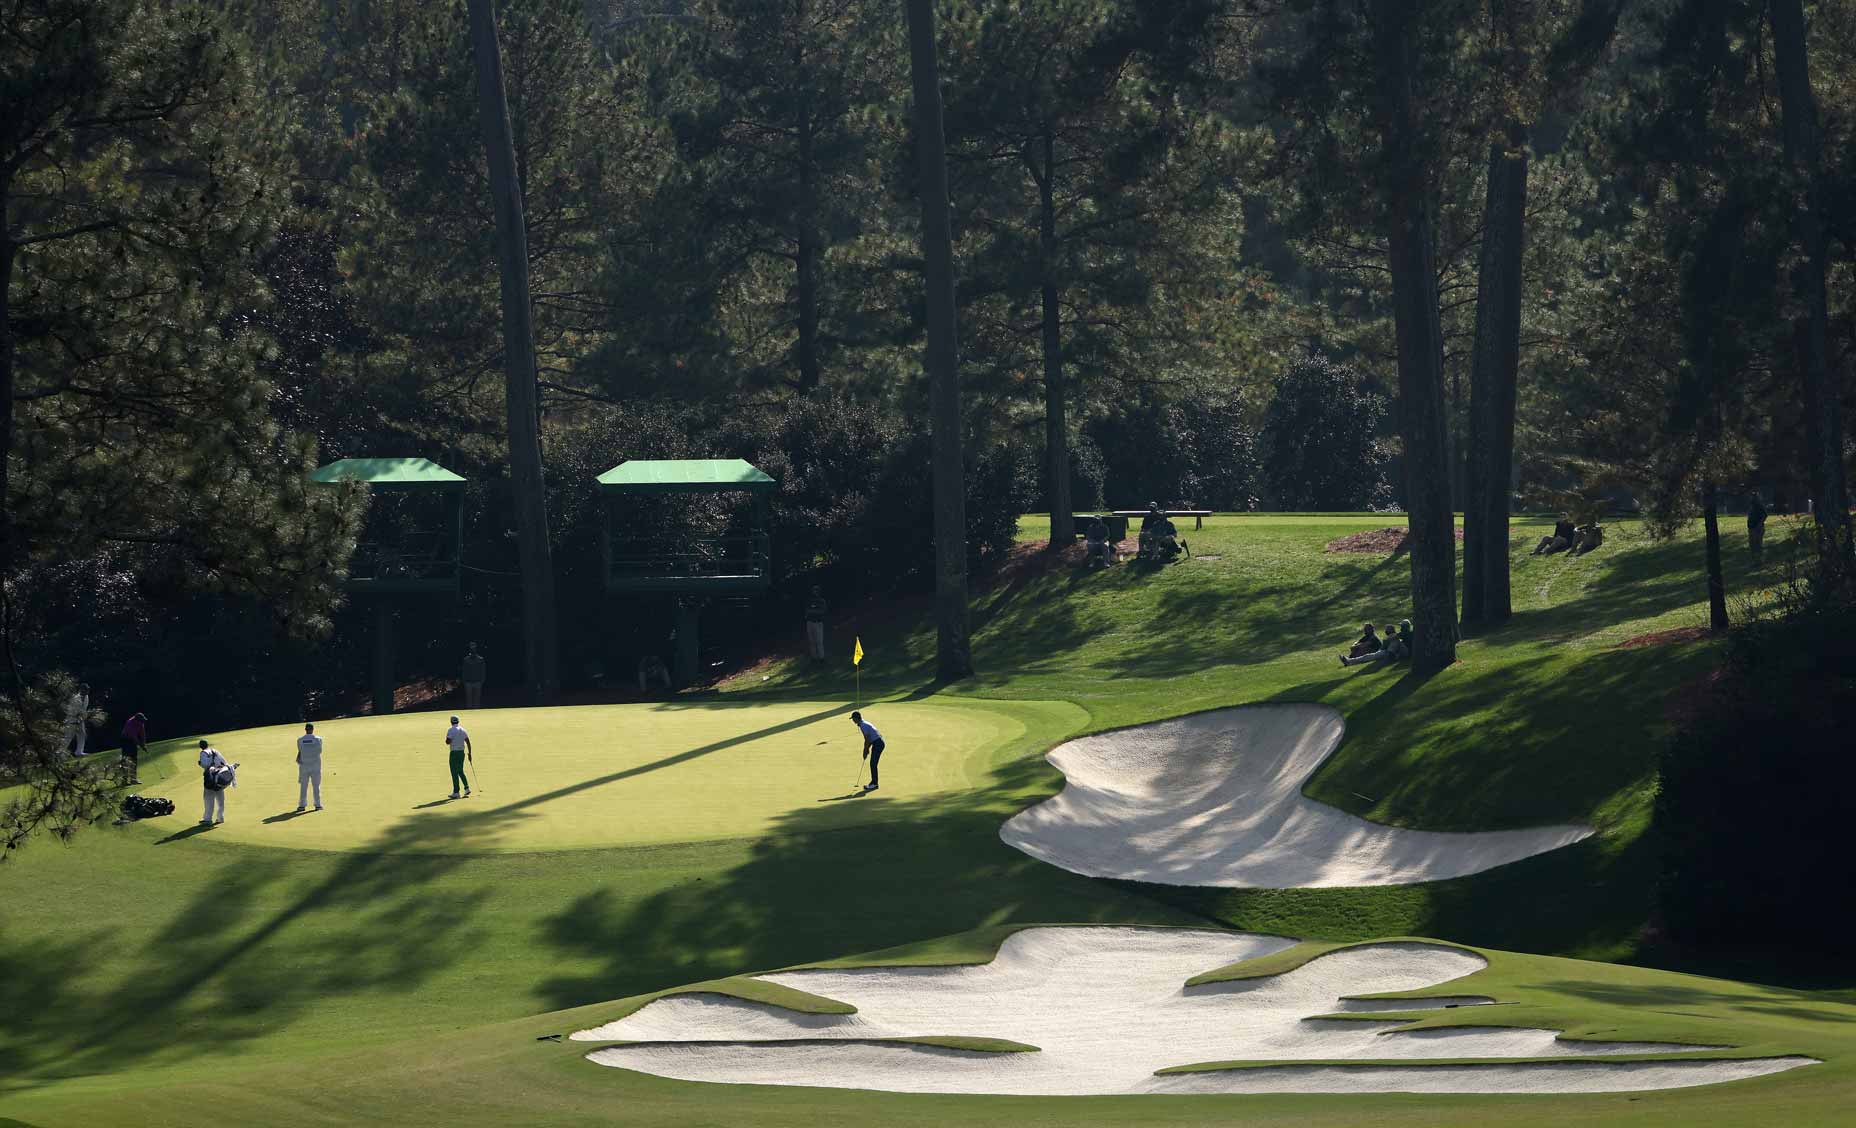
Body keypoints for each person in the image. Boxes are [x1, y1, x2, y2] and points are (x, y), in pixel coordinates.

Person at [197, 739, 236, 825]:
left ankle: (207, 819)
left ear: (201, 746)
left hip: (210, 777)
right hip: (219, 776)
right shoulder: (214, 751)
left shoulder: (203, 753)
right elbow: (224, 762)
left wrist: (200, 764)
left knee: (208, 799)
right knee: (220, 799)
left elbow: (205, 764)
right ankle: (220, 818)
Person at [1342, 620, 1411, 667]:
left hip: (1406, 651)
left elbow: (1393, 637)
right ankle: (1350, 661)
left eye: (1402, 626)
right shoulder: (1400, 634)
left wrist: (1388, 639)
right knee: (1369, 656)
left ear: (1405, 627)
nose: (1401, 627)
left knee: (1395, 641)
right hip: (1393, 651)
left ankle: (1389, 658)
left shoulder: (1406, 633)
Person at [851, 710, 884, 792]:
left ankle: (874, 784)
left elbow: (867, 739)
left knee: (873, 763)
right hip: (877, 743)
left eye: (853, 719)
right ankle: (874, 783)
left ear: (856, 718)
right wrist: (867, 749)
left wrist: (865, 750)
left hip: (878, 744)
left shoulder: (863, 725)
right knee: (873, 763)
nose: (852, 720)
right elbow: (869, 739)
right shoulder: (863, 723)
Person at [295, 721, 324, 812]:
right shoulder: (318, 739)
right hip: (315, 766)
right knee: (316, 786)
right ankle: (318, 805)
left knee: (303, 786)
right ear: (312, 729)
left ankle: (302, 805)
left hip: (304, 766)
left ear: (305, 730)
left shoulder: (299, 740)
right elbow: (319, 751)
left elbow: (300, 751)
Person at [443, 716, 472, 799]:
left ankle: (456, 792)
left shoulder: (451, 730)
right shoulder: (463, 730)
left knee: (454, 772)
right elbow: (468, 742)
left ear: (451, 722)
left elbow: (448, 742)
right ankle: (467, 788)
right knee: (460, 770)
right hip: (461, 753)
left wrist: (447, 739)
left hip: (454, 753)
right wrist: (470, 753)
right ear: (458, 721)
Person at [119, 712, 148, 785]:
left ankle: (133, 779)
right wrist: (141, 746)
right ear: (136, 719)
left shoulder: (141, 722)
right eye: (141, 721)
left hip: (132, 739)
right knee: (125, 759)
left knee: (134, 759)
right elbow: (133, 737)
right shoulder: (130, 723)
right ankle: (124, 780)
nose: (142, 722)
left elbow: (142, 734)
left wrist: (144, 745)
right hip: (125, 740)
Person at [63, 683, 90, 757]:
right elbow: (72, 711)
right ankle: (59, 754)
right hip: (72, 720)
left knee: (82, 735)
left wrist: (83, 718)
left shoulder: (86, 697)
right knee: (68, 737)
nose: (87, 691)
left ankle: (79, 752)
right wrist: (77, 719)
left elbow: (84, 709)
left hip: (80, 719)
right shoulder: (75, 698)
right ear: (81, 690)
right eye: (85, 690)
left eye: (87, 690)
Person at [804, 586, 828, 660]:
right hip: (810, 622)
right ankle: (814, 657)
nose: (815, 592)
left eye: (816, 590)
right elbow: (806, 611)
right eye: (814, 590)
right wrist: (811, 612)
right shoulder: (809, 600)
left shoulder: (821, 601)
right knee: (812, 641)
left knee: (819, 641)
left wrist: (812, 611)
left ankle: (821, 658)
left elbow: (822, 611)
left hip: (818, 623)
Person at [462, 644, 486, 708]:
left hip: (477, 681)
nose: (473, 649)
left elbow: (483, 671)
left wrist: (482, 680)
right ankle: (469, 712)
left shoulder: (481, 659)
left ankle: (476, 712)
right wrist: (464, 681)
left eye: (474, 647)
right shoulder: (466, 659)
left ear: (476, 649)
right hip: (468, 682)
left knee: (477, 699)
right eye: (472, 647)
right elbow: (464, 671)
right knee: (469, 699)